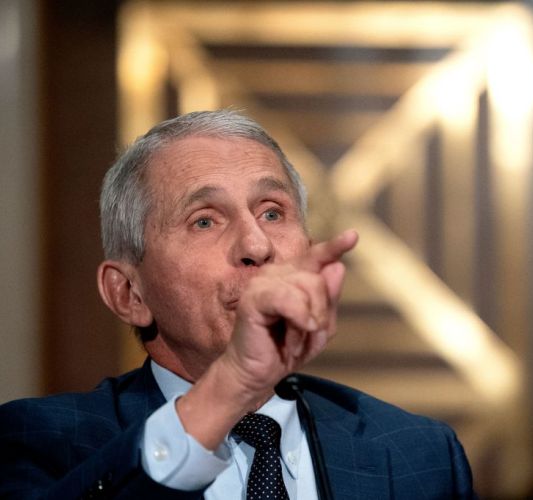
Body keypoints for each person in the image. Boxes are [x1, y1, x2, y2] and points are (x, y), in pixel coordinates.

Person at [0, 110, 475, 499]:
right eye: (205, 221)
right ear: (129, 293)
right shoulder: (43, 441)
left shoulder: (420, 455)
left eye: (272, 212)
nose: (257, 245)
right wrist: (233, 384)